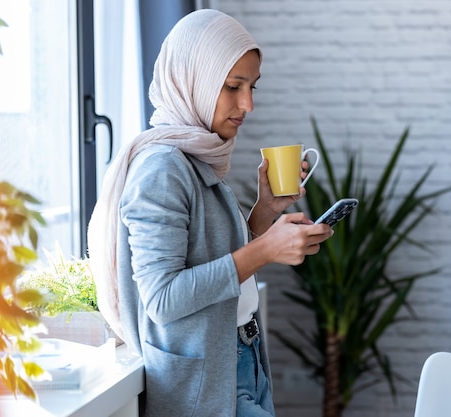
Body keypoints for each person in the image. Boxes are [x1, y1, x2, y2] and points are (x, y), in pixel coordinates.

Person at [87, 9, 333, 417]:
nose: (248, 104)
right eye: (233, 86)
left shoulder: (197, 155)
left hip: (240, 360)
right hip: (207, 382)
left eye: (252, 86)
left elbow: (208, 262)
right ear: (194, 80)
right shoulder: (162, 168)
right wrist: (266, 250)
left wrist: (262, 214)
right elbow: (163, 298)